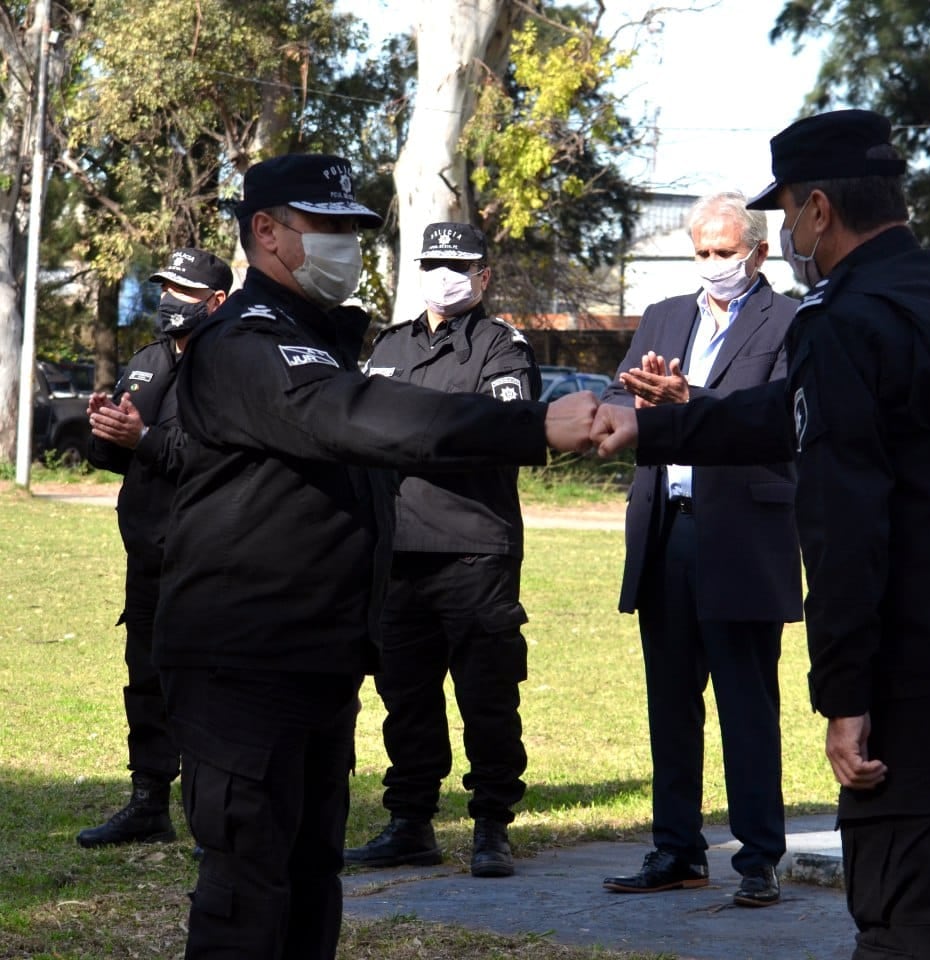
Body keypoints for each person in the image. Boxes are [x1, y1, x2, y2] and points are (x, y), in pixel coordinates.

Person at [591, 110, 930, 959]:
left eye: (788, 213)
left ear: (820, 210)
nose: (787, 232)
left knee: (915, 921)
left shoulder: (843, 321)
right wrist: (660, 428)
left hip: (928, 676)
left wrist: (844, 696)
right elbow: (792, 412)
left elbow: (843, 524)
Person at [150, 153, 598, 960]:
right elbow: (358, 416)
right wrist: (533, 427)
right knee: (247, 891)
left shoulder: (315, 338)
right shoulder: (245, 342)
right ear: (267, 232)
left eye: (356, 230)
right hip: (241, 663)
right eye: (327, 228)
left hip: (316, 658)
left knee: (310, 875)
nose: (348, 245)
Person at [598, 191, 801, 907]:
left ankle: (759, 858)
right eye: (702, 252)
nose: (712, 264)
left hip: (745, 531)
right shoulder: (663, 316)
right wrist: (639, 405)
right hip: (668, 529)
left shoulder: (792, 321)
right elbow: (617, 401)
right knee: (670, 703)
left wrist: (692, 407)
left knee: (748, 703)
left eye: (724, 251)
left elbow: (783, 422)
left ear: (758, 251)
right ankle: (677, 848)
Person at [344, 222, 540, 878]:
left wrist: (408, 434)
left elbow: (503, 434)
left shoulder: (501, 346)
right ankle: (410, 823)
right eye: (434, 262)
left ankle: (491, 825)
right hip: (397, 547)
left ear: (484, 276)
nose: (446, 274)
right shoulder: (389, 346)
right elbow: (357, 432)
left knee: (487, 691)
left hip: (473, 546)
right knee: (406, 694)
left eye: (460, 264)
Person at [78, 247, 232, 849]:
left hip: (210, 554)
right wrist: (106, 431)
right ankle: (149, 802)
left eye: (184, 293)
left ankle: (213, 812)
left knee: (207, 685)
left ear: (216, 303)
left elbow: (219, 462)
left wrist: (143, 438)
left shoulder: (233, 368)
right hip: (147, 552)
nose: (169, 301)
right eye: (165, 287)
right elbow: (121, 458)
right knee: (145, 679)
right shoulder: (146, 361)